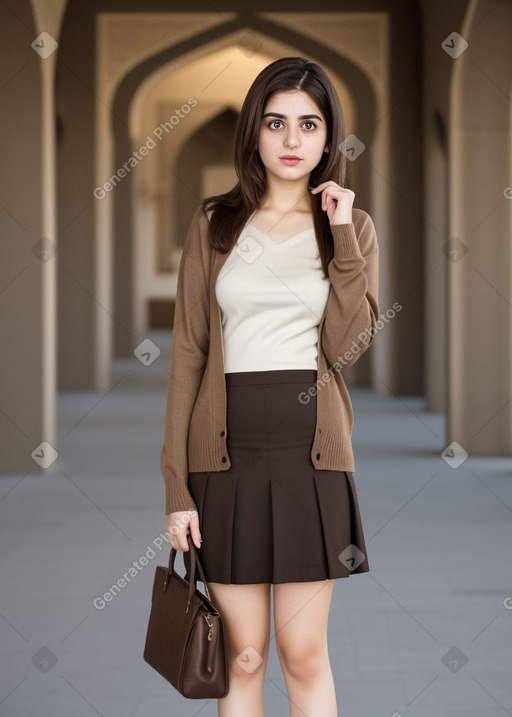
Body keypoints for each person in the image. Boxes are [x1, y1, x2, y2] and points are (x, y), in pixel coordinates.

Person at [160, 56, 380, 717]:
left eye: (309, 125)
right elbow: (188, 355)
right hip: (223, 462)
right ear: (254, 132)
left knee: (303, 652)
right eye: (276, 122)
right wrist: (177, 486)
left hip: (311, 461)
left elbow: (348, 346)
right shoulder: (214, 224)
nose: (292, 140)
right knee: (243, 654)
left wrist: (341, 231)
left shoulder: (352, 227)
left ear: (329, 136)